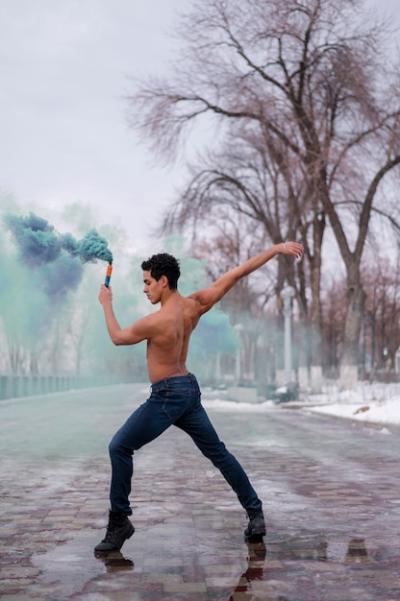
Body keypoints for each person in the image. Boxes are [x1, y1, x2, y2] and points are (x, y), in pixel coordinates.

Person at [95, 241, 304, 553]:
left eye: (148, 282)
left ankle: (119, 521)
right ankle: (255, 513)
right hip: (188, 391)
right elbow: (235, 275)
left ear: (163, 281)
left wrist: (105, 303)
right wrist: (274, 250)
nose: (145, 290)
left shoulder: (155, 321)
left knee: (119, 447)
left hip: (167, 395)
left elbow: (117, 337)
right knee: (219, 454)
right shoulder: (194, 305)